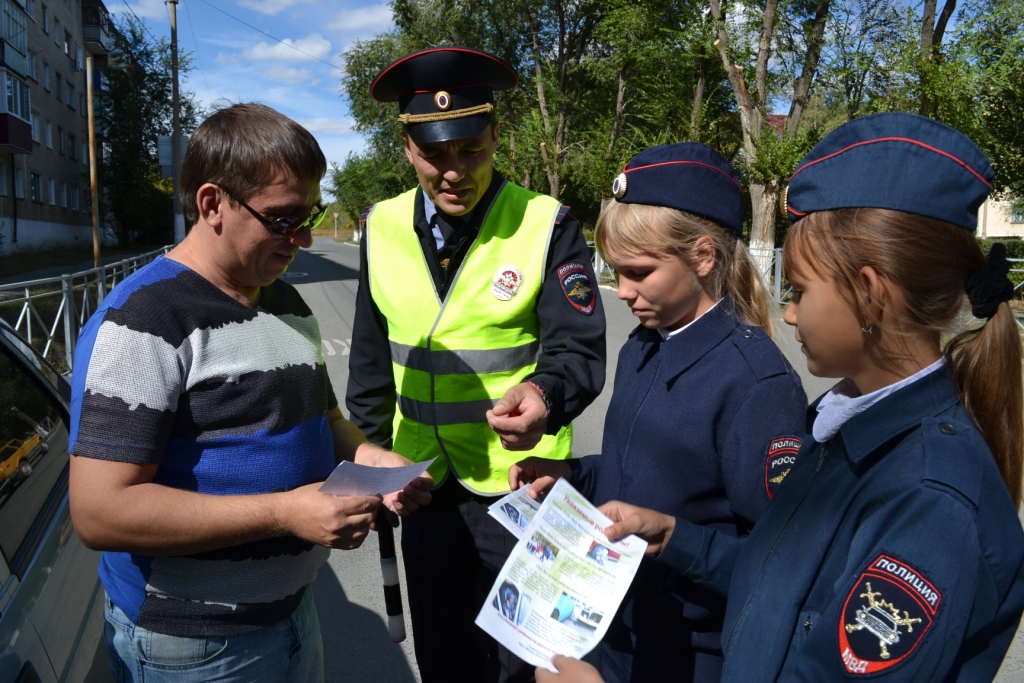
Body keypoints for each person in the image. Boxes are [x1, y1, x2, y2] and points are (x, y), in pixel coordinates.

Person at [539, 112, 1024, 682]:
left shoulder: (932, 501)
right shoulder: (840, 425)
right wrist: (675, 537)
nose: (787, 312)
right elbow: (780, 576)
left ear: (868, 293)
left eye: (798, 289)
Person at [67, 103, 432, 682]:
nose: (304, 238)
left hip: (291, 617)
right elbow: (100, 512)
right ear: (213, 204)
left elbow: (326, 418)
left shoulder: (284, 300)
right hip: (192, 648)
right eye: (283, 219)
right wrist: (288, 513)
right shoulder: (144, 321)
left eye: (309, 215)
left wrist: (369, 458)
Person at [345, 47, 606, 683]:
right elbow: (370, 367)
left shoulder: (547, 223)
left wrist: (545, 396)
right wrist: (369, 465)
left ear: (495, 135)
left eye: (471, 150)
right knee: (444, 656)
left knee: (530, 659)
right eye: (436, 154)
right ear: (407, 146)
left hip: (520, 487)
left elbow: (580, 346)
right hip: (422, 488)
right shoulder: (380, 227)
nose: (454, 172)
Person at [510, 143, 808, 683]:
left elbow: (783, 564)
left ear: (703, 256)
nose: (622, 292)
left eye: (640, 272)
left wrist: (675, 538)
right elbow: (647, 472)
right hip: (614, 625)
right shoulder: (644, 344)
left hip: (692, 654)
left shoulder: (758, 386)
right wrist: (574, 475)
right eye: (615, 271)